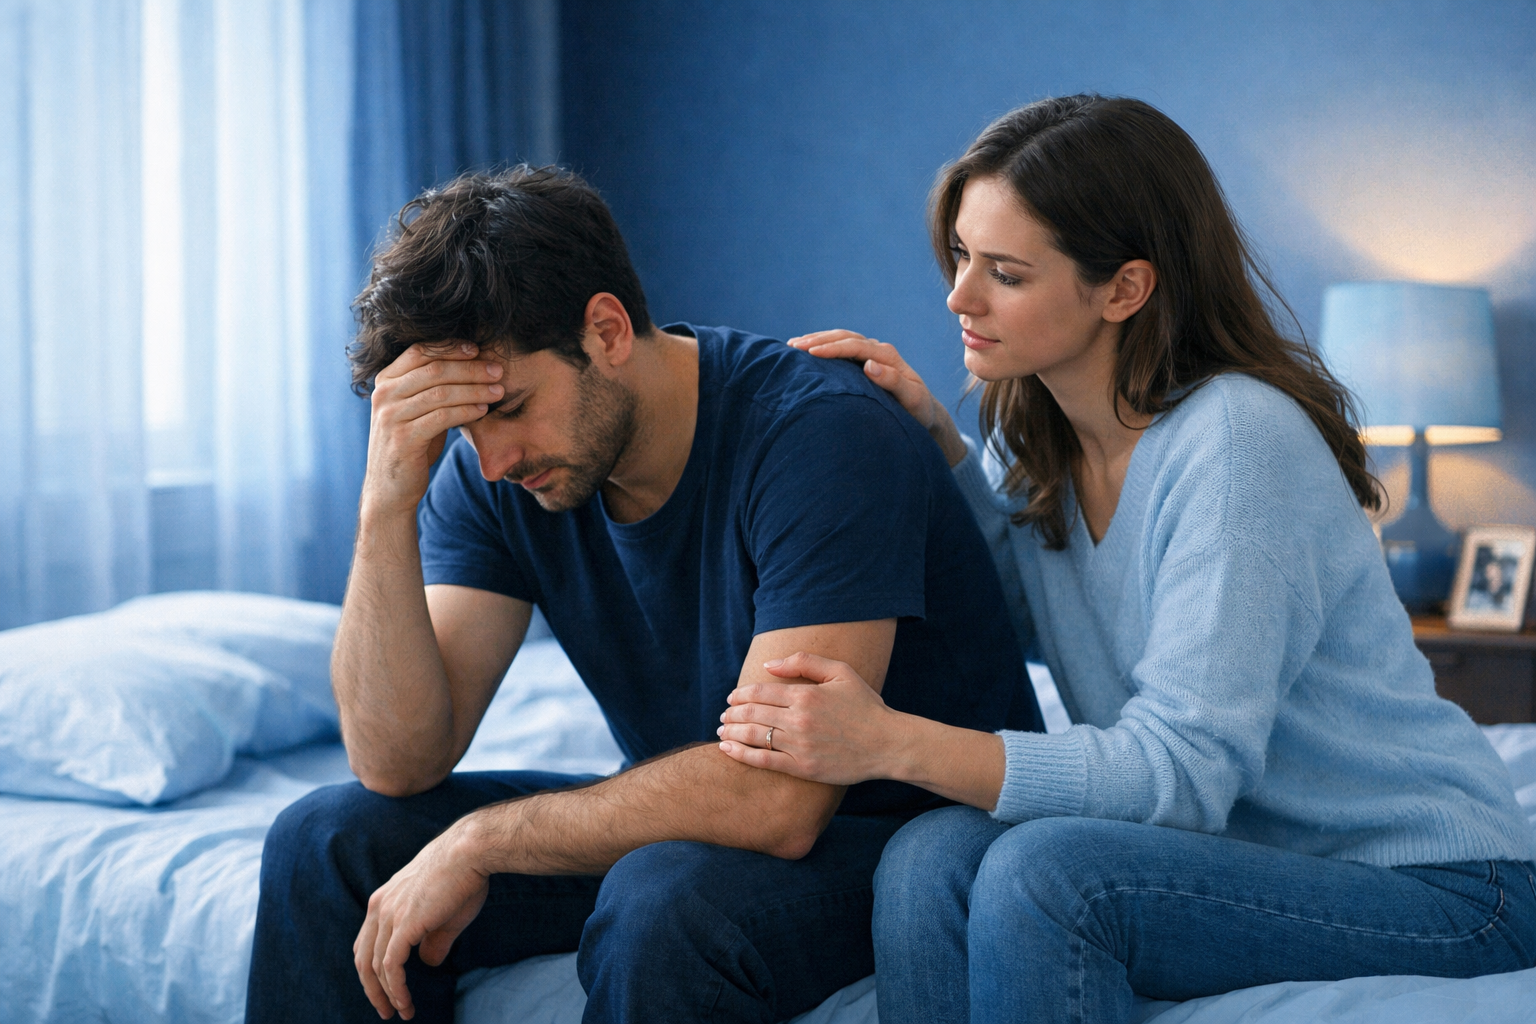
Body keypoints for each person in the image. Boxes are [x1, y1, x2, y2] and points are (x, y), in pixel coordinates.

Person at [717, 95, 1536, 1023]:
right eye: (959, 257)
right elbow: (1019, 614)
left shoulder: (1237, 444)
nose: (958, 298)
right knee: (928, 858)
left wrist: (888, 741)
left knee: (1051, 874)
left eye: (1006, 274)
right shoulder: (1034, 437)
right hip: (1246, 862)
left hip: (1448, 890)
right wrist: (933, 445)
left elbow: (1179, 777)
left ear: (1124, 289)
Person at [244, 166, 1040, 1024]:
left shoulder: (820, 434)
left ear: (608, 330)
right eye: (461, 428)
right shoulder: (497, 473)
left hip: (905, 832)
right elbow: (397, 761)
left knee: (665, 900)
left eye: (509, 408)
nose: (493, 460)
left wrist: (479, 842)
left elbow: (779, 803)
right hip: (707, 821)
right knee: (326, 842)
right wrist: (384, 506)